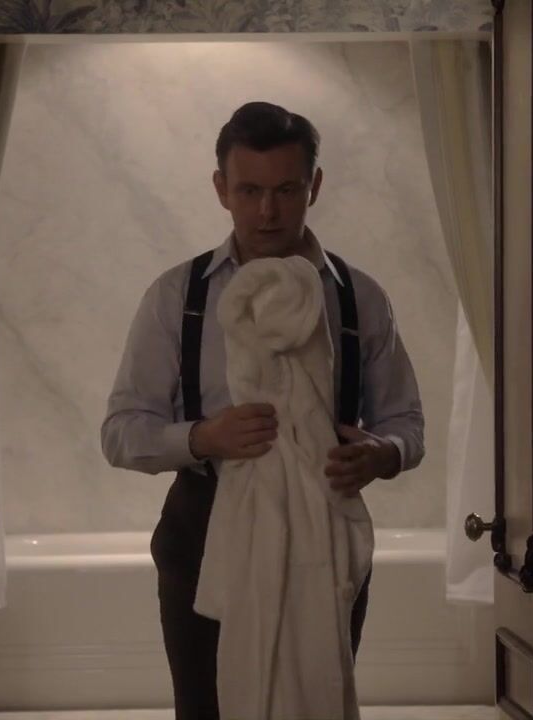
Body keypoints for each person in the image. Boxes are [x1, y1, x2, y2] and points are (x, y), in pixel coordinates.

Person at [100, 101, 425, 719]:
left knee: (318, 704)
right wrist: (202, 438)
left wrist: (383, 455)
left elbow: (406, 423)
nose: (267, 211)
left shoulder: (358, 298)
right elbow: (120, 432)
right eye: (249, 191)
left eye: (286, 190)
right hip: (202, 531)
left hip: (324, 533)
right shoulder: (177, 296)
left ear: (314, 186)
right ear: (221, 188)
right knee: (206, 709)